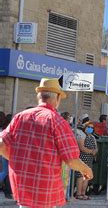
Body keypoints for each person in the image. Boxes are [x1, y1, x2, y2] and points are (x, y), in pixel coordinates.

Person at [0, 78, 93, 207]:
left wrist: (17, 160)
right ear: (58, 98)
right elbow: (71, 159)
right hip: (45, 190)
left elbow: (1, 145)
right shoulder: (57, 122)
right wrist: (86, 169)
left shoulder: (20, 117)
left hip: (22, 187)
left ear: (39, 96)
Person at [75, 121, 97, 200]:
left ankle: (83, 193)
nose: (90, 129)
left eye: (92, 128)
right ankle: (78, 194)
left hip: (90, 159)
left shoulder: (92, 137)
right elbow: (82, 148)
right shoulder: (82, 135)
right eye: (89, 127)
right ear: (85, 128)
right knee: (80, 176)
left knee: (87, 177)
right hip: (82, 159)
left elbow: (96, 148)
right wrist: (91, 151)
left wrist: (95, 151)